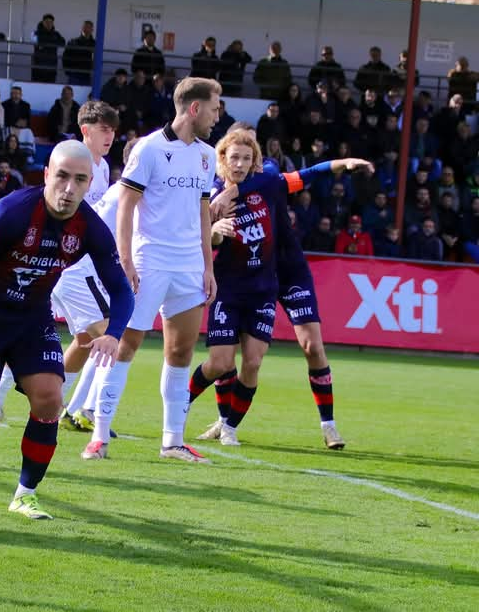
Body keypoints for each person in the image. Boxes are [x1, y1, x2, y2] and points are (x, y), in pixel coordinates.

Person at [0, 140, 134, 520]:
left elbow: (120, 289)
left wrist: (114, 333)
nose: (69, 188)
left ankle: (25, 493)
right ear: (47, 175)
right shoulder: (12, 213)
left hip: (33, 319)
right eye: (63, 177)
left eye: (80, 180)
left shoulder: (90, 228)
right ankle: (2, 369)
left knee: (50, 397)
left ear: (90, 185)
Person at [191, 130, 372, 446]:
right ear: (223, 158)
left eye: (247, 157)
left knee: (312, 347)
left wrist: (343, 163)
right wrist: (216, 223)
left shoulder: (268, 179)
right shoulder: (214, 192)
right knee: (225, 359)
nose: (241, 163)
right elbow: (206, 236)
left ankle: (328, 424)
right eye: (235, 156)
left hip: (287, 271)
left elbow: (306, 174)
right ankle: (224, 422)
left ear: (255, 159)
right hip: (246, 278)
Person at [87, 77, 221, 462]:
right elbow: (126, 205)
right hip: (150, 262)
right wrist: (126, 261)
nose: (217, 116)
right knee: (124, 344)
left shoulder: (207, 155)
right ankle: (98, 436)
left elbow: (201, 211)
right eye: (214, 108)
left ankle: (172, 442)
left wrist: (207, 267)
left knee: (180, 351)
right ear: (194, 109)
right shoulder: (148, 148)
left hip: (189, 266)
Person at [7, 103, 120, 430]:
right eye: (104, 129)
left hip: (79, 262)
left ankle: (64, 407)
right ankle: (88, 411)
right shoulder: (70, 160)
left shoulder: (102, 167)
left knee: (85, 340)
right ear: (86, 130)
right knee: (109, 335)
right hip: (68, 263)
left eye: (113, 130)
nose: (110, 136)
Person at [30, 14, 65, 83]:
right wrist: (53, 42)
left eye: (51, 22)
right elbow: (35, 42)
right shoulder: (35, 33)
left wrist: (46, 42)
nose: (49, 24)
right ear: (43, 22)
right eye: (47, 22)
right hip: (38, 68)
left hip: (51, 68)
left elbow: (62, 43)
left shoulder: (56, 34)